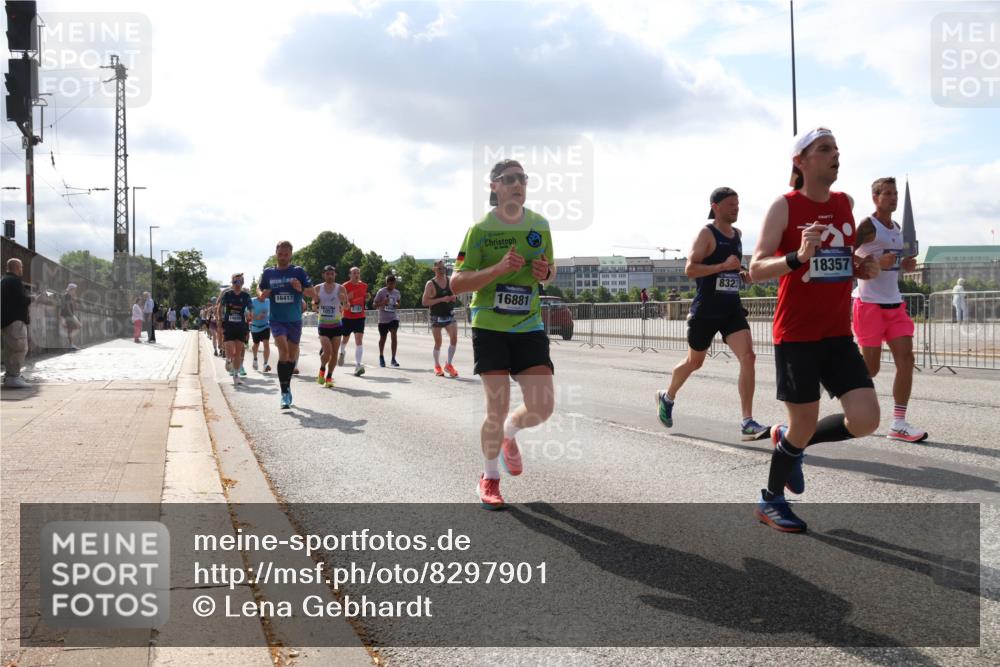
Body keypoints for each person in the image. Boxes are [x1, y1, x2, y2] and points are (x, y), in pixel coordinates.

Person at [748, 127, 881, 533]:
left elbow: (841, 260)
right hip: (797, 335)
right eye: (824, 149)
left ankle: (791, 440)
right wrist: (797, 256)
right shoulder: (784, 207)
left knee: (866, 420)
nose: (835, 154)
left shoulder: (845, 203)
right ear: (800, 162)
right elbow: (754, 270)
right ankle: (770, 500)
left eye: (836, 148)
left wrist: (860, 267)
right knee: (805, 423)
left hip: (838, 334)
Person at [450, 159, 556, 509]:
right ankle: (489, 478)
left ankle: (510, 434)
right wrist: (497, 269)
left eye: (521, 178)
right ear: (494, 186)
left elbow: (549, 270)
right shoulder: (480, 230)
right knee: (496, 407)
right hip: (490, 325)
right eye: (508, 179)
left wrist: (544, 272)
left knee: (542, 407)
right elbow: (457, 282)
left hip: (528, 324)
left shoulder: (539, 224)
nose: (517, 184)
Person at [655, 187, 769, 441]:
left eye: (738, 204)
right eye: (731, 204)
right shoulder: (706, 234)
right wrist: (721, 266)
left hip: (731, 309)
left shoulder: (737, 235)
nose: (736, 208)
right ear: (715, 207)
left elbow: (733, 268)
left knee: (748, 357)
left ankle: (747, 422)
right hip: (706, 310)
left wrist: (741, 274)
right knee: (694, 362)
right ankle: (668, 395)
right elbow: (690, 269)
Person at [851, 177, 927, 443]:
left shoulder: (896, 228)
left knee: (906, 360)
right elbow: (844, 254)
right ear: (875, 198)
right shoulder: (867, 225)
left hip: (894, 304)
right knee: (870, 369)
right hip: (869, 305)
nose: (893, 198)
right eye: (887, 193)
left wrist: (903, 266)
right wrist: (872, 260)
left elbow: (889, 265)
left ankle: (898, 423)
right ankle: (840, 377)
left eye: (895, 194)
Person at [259, 241, 315, 409]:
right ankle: (284, 393)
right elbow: (260, 289)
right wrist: (262, 294)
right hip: (276, 319)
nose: (283, 257)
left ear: (291, 254)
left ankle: (287, 385)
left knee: (291, 356)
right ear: (276, 253)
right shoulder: (269, 273)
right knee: (283, 351)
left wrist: (300, 289)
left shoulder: (298, 271)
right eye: (280, 254)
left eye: (286, 254)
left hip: (294, 320)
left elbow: (312, 293)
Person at [422, 259, 459, 377]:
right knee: (438, 342)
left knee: (454, 339)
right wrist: (442, 299)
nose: (442, 270)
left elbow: (455, 295)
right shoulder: (430, 283)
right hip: (436, 316)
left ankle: (449, 364)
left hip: (449, 314)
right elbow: (424, 301)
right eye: (440, 268)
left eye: (443, 268)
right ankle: (437, 366)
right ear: (434, 269)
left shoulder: (449, 280)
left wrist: (454, 298)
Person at [315, 265, 348, 387]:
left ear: (335, 275)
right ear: (324, 275)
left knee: (334, 353)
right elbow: (313, 306)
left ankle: (329, 377)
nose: (329, 276)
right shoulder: (318, 288)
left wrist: (344, 301)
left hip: (337, 325)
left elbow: (347, 307)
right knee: (327, 352)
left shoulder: (341, 288)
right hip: (323, 324)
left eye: (332, 274)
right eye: (327, 274)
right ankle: (322, 369)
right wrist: (316, 302)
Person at [1, 258, 31, 388]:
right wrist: (34, 298)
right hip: (15, 320)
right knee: (20, 348)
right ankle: (14, 376)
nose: (22, 270)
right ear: (18, 267)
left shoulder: (4, 280)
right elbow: (22, 300)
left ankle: (10, 376)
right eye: (21, 267)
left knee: (10, 350)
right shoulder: (14, 281)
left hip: (6, 320)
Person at [218, 273, 252, 385]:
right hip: (229, 325)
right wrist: (220, 318)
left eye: (239, 282)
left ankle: (236, 375)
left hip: (240, 326)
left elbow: (251, 308)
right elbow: (220, 307)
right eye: (235, 282)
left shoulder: (246, 296)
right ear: (232, 283)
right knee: (229, 350)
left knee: (238, 353)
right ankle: (228, 360)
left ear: (242, 282)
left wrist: (250, 315)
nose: (237, 284)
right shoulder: (227, 294)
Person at [339, 267, 368, 377]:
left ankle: (358, 365)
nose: (356, 275)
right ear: (349, 275)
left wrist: (367, 297)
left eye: (358, 273)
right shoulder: (344, 286)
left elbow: (364, 297)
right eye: (354, 273)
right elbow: (340, 301)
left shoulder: (364, 286)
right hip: (347, 317)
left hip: (360, 316)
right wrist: (347, 300)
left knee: (359, 339)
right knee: (345, 338)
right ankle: (342, 351)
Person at [373, 274, 402, 368]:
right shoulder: (381, 292)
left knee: (394, 335)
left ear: (395, 284)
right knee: (383, 338)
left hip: (393, 318)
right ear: (386, 283)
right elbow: (374, 305)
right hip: (383, 319)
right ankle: (381, 356)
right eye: (389, 283)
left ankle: (393, 358)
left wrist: (397, 305)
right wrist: (383, 303)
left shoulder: (397, 292)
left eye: (393, 284)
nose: (391, 285)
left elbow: (398, 302)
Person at [249, 293, 272, 372]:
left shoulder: (269, 301)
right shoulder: (252, 301)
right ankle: (255, 358)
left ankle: (265, 364)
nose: (263, 294)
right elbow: (247, 315)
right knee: (256, 344)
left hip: (266, 326)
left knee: (266, 343)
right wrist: (257, 317)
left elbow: (272, 313)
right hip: (255, 326)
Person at [60, 283, 82, 350]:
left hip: (67, 315)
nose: (75, 291)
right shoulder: (67, 296)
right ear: (71, 289)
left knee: (72, 329)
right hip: (68, 315)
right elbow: (67, 306)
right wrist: (72, 316)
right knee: (75, 327)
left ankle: (71, 345)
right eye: (74, 290)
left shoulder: (68, 296)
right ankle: (71, 345)